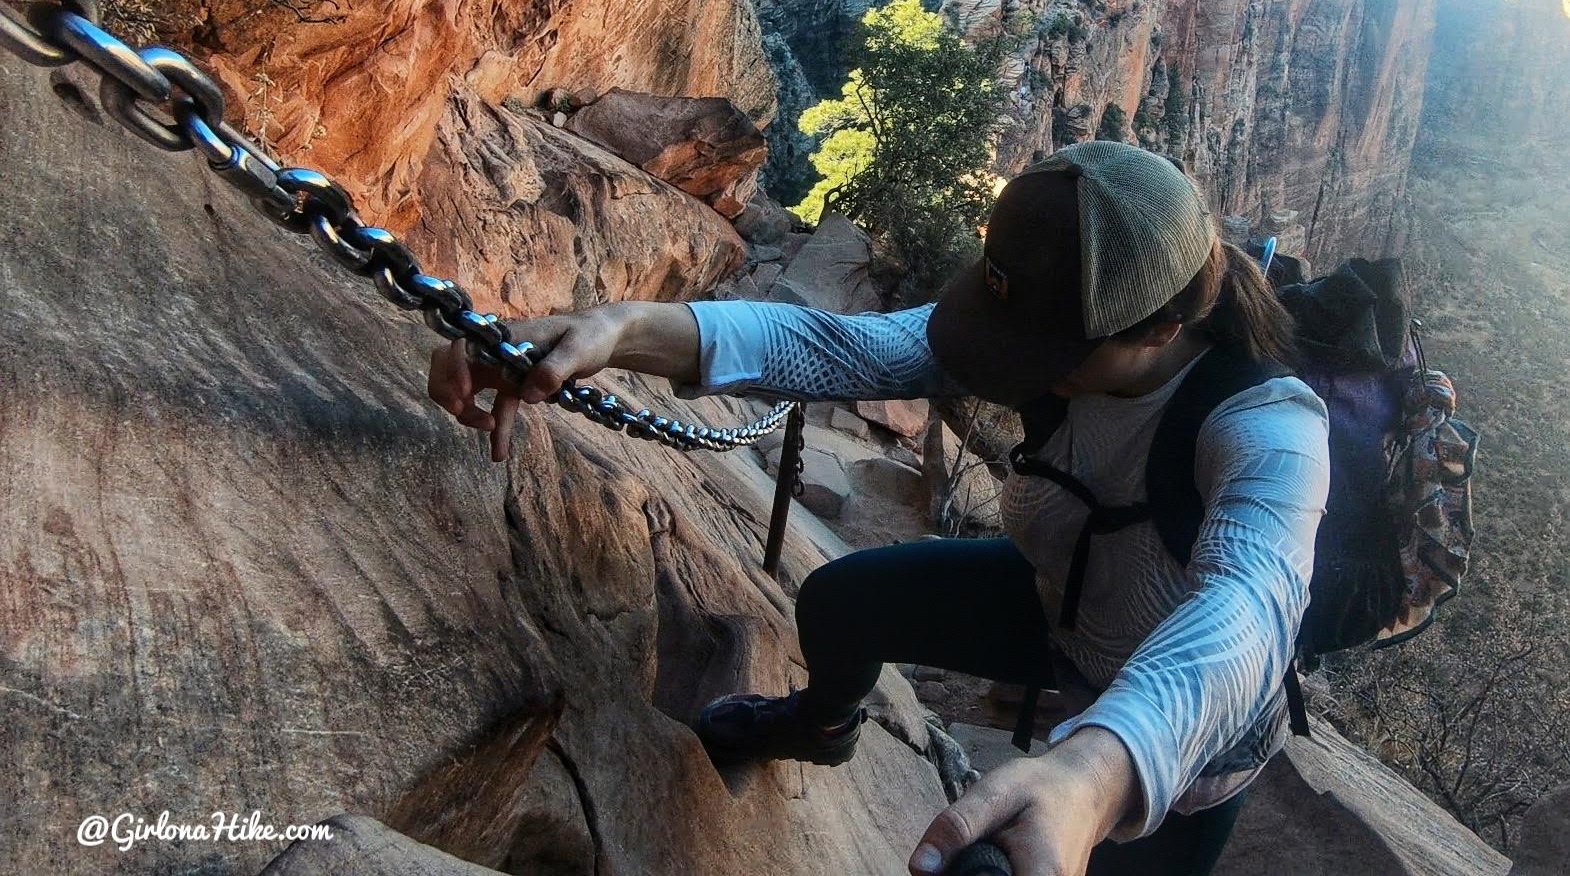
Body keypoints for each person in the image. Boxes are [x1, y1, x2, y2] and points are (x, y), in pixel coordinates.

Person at [425, 142, 1331, 876]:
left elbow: (1248, 602)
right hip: (1059, 609)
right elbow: (832, 345)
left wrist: (1091, 773)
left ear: (1157, 331)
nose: (1008, 360)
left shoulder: (1267, 425)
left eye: (1033, 348)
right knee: (841, 604)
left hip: (1179, 754)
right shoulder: (1058, 336)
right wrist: (615, 331)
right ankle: (822, 724)